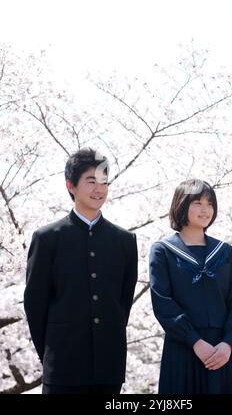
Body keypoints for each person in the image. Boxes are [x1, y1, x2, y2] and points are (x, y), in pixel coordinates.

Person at [24, 148, 138, 394]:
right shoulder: (47, 238)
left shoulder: (125, 241)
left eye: (104, 183)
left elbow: (123, 303)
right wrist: (52, 353)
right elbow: (35, 304)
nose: (99, 189)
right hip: (62, 367)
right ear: (71, 185)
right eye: (91, 181)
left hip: (109, 367)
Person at [149, 179, 232, 394]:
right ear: (181, 205)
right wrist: (194, 341)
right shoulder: (163, 251)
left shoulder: (226, 252)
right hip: (183, 348)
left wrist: (228, 343)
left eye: (210, 204)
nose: (205, 210)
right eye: (197, 203)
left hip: (223, 351)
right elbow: (162, 303)